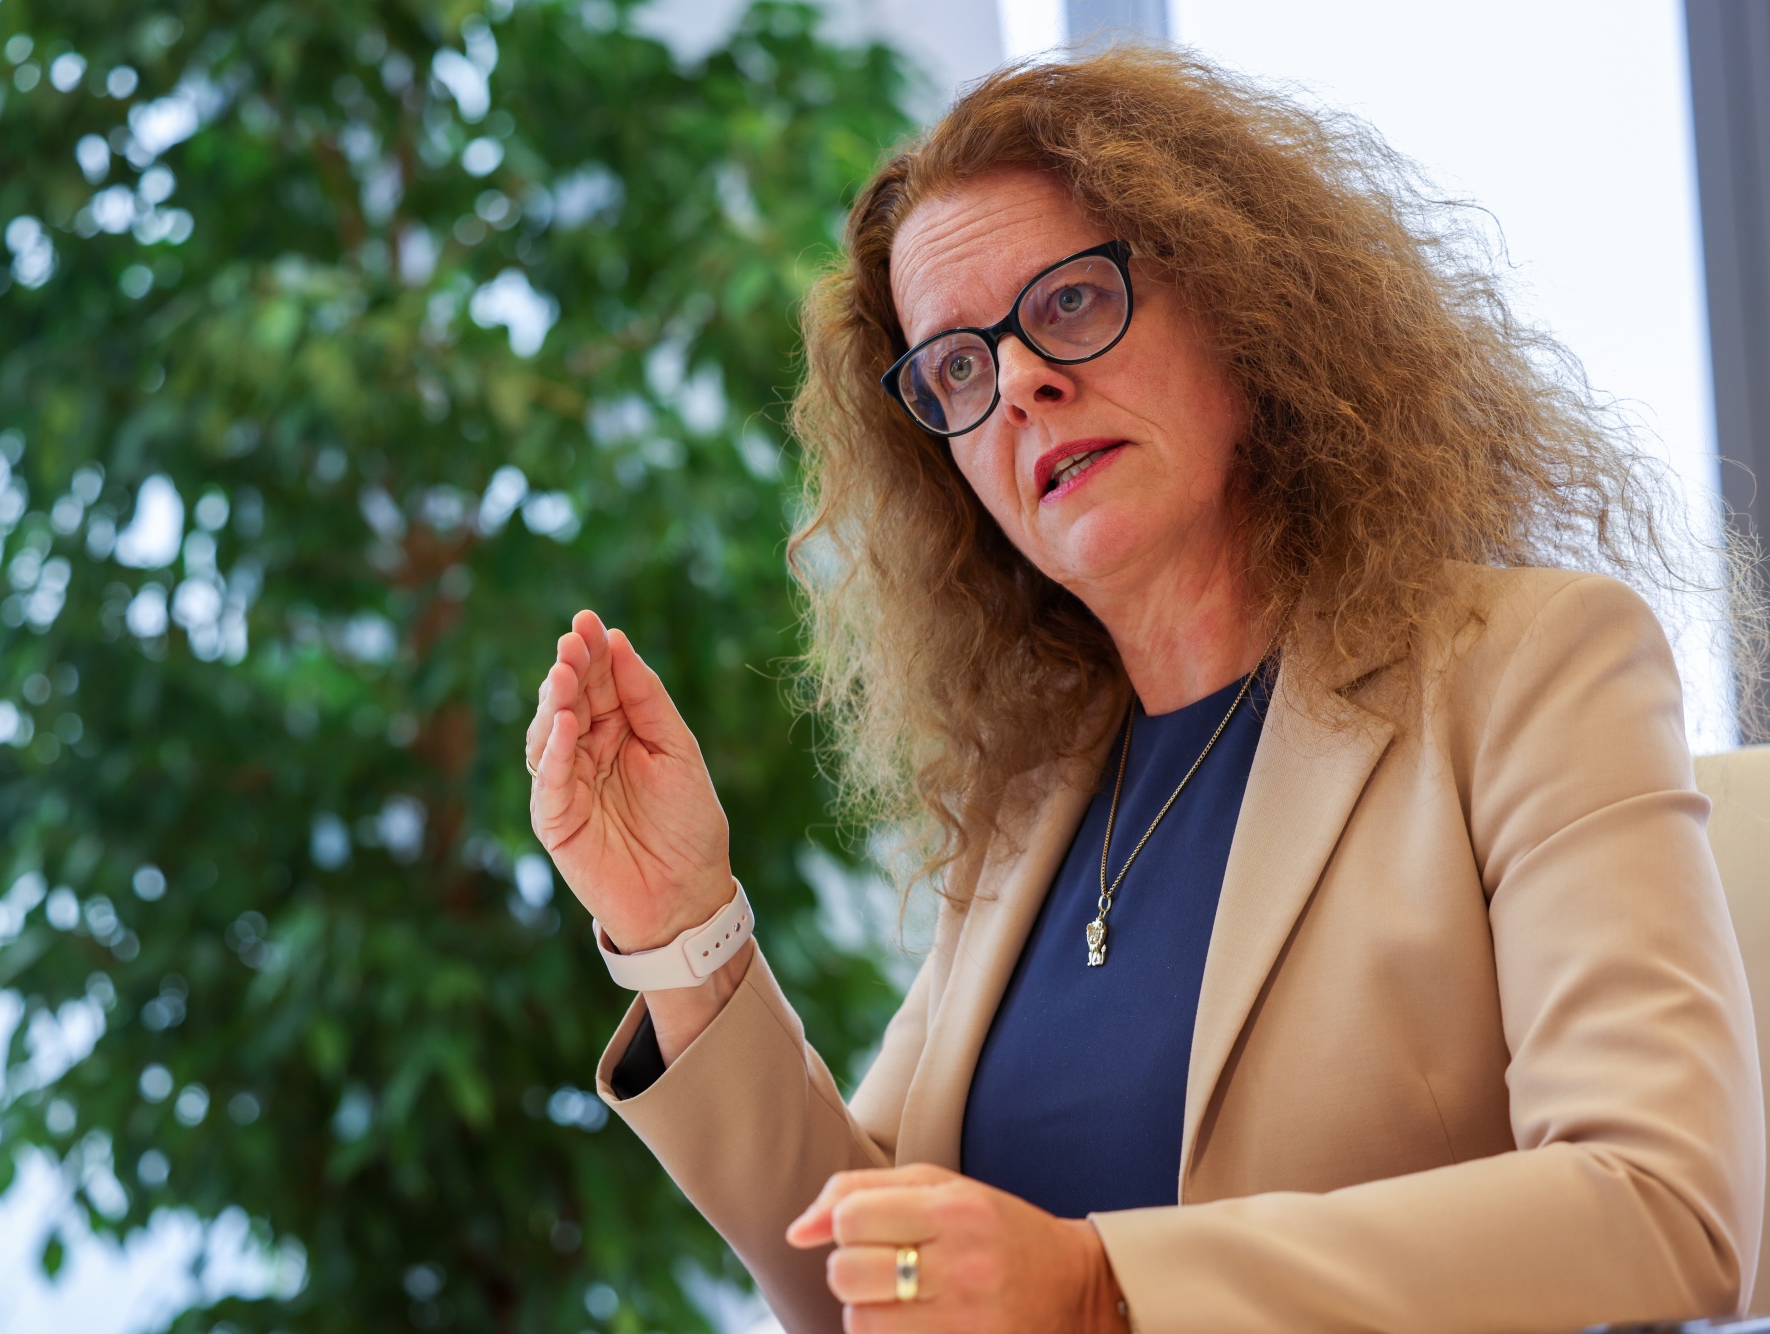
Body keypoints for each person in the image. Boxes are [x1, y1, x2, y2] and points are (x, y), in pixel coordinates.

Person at [525, 46, 1765, 1334]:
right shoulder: (1037, 796)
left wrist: (1100, 1283)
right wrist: (687, 932)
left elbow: (1665, 1202)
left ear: (1241, 301)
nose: (1016, 383)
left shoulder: (1532, 668)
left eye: (1066, 303)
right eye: (954, 368)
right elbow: (864, 1290)